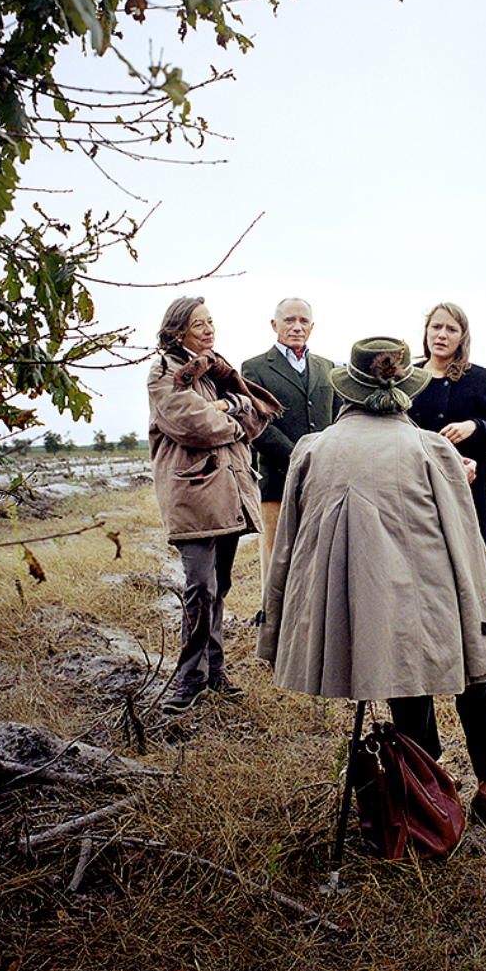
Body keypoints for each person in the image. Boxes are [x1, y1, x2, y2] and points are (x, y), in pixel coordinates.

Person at [258, 336, 486, 821]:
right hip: (435, 594)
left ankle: (428, 788)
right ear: (404, 390)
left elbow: (287, 544)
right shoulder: (430, 449)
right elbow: (465, 538)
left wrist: (279, 613)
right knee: (473, 671)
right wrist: (481, 606)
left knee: (404, 677)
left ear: (348, 390)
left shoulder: (314, 448)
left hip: (366, 601)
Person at [148, 296, 283, 712]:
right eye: (198, 324)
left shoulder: (218, 370)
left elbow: (256, 419)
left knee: (218, 586)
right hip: (193, 494)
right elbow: (191, 425)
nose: (208, 330)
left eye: (211, 322)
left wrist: (228, 404)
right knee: (200, 588)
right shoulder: (166, 371)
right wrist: (233, 417)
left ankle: (215, 672)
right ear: (177, 330)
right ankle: (188, 681)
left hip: (228, 493)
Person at [242, 298, 336, 594]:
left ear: (312, 326)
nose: (297, 327)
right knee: (277, 559)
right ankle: (274, 628)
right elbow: (255, 424)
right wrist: (298, 455)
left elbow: (338, 419)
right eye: (289, 320)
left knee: (319, 558)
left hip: (322, 481)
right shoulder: (255, 368)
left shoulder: (327, 367)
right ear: (274, 325)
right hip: (277, 481)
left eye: (303, 321)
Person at [408, 303, 486, 548]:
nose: (442, 334)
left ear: (462, 337)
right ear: (427, 332)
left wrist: (474, 427)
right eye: (436, 326)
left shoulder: (478, 378)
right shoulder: (407, 377)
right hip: (415, 493)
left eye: (451, 329)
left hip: (464, 493)